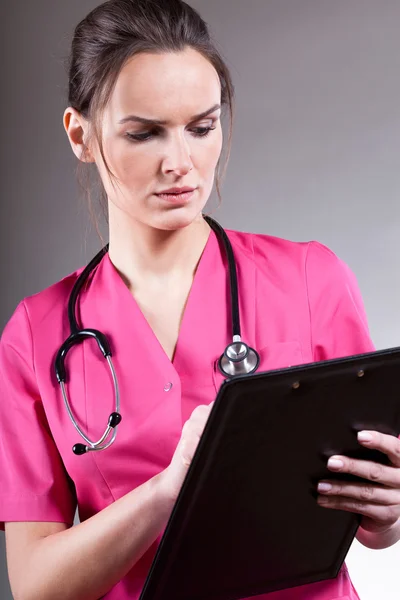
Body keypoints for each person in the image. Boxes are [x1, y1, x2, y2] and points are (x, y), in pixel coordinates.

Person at [1, 1, 399, 599]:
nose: (180, 163)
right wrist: (168, 492)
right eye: (144, 133)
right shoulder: (36, 335)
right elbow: (35, 586)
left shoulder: (313, 279)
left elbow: (372, 522)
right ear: (80, 135)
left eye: (202, 127)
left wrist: (389, 511)